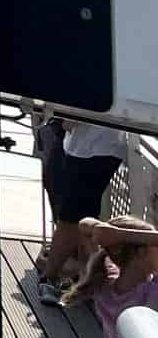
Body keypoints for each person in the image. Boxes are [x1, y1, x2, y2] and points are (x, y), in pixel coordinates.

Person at [44, 118, 131, 299]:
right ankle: (87, 278)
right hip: (101, 147)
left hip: (91, 149)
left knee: (71, 218)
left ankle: (49, 278)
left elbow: (71, 119)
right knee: (82, 215)